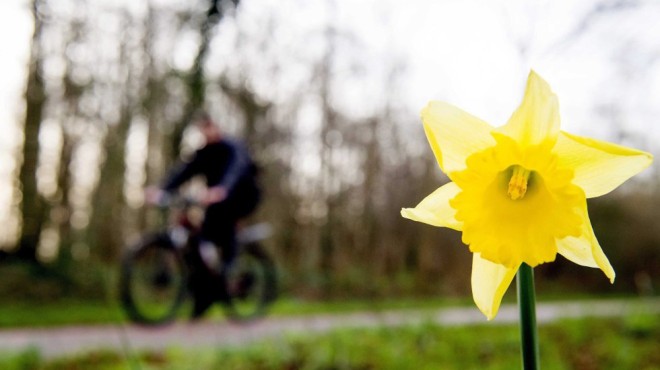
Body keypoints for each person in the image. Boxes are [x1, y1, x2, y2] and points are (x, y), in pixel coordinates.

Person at [147, 112, 261, 317]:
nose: (206, 132)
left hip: (242, 195)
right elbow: (184, 172)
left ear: (216, 127)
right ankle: (205, 294)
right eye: (202, 129)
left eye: (209, 127)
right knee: (201, 236)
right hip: (217, 198)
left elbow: (235, 170)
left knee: (223, 225)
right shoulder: (203, 153)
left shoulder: (233, 147)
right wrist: (162, 190)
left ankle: (229, 270)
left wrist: (223, 189)